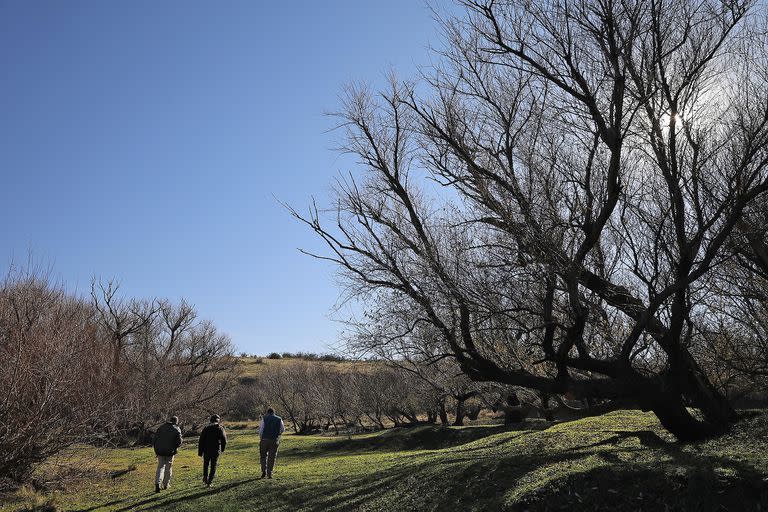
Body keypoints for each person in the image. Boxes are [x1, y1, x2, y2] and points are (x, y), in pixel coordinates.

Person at [153, 416, 183, 493]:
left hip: (160, 451)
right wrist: (175, 447)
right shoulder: (176, 429)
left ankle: (157, 483)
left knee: (160, 467)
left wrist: (156, 450)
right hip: (170, 452)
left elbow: (155, 439)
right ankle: (166, 484)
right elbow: (179, 442)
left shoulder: (161, 427)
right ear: (176, 421)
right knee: (168, 468)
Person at [198, 414, 227, 487]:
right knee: (213, 465)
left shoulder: (206, 428)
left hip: (206, 449)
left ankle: (205, 477)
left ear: (210, 420)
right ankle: (210, 481)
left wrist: (200, 452)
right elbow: (224, 440)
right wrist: (222, 449)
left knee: (206, 464)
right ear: (218, 420)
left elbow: (201, 441)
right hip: (216, 450)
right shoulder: (220, 428)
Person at [258, 407, 285, 479]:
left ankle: (264, 470)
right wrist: (278, 434)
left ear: (267, 412)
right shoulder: (279, 419)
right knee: (272, 457)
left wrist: (261, 438)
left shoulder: (264, 418)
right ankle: (269, 473)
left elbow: (261, 430)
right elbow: (282, 429)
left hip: (264, 439)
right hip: (274, 440)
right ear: (274, 412)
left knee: (263, 456)